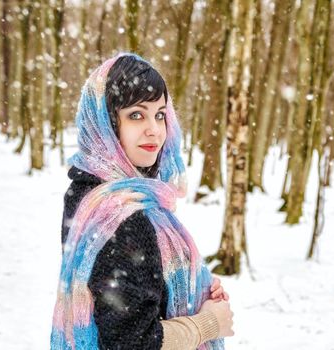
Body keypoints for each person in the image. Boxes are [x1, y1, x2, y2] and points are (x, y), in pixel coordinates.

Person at [50, 52, 234, 350]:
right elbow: (130, 343)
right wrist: (208, 323)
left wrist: (190, 288)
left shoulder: (87, 191)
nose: (154, 129)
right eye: (136, 114)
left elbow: (116, 300)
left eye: (160, 114)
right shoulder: (122, 216)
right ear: (105, 124)